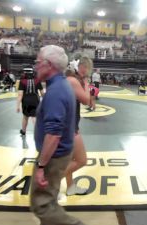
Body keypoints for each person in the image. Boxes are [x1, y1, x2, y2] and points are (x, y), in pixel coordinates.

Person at [30, 45, 85, 225]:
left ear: (48, 64)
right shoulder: (62, 84)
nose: (35, 66)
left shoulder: (56, 91)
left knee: (43, 205)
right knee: (50, 200)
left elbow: (53, 135)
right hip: (58, 154)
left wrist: (41, 165)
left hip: (53, 157)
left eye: (38, 62)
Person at [64, 56, 93, 196]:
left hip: (69, 124)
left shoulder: (71, 79)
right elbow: (86, 100)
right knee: (82, 160)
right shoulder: (73, 80)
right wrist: (87, 83)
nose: (87, 72)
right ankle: (51, 180)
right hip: (68, 127)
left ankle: (70, 187)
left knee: (70, 159)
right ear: (81, 66)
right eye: (86, 69)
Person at [17, 67, 43, 136]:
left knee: (25, 116)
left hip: (26, 102)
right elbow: (42, 93)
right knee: (34, 117)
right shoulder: (37, 80)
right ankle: (37, 132)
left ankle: (23, 131)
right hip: (35, 101)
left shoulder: (22, 81)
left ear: (24, 73)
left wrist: (18, 106)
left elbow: (20, 94)